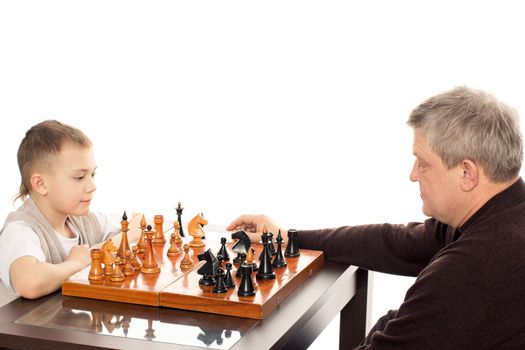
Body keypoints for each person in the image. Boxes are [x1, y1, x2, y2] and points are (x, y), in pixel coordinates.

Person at [227, 86, 525, 349]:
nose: (412, 175)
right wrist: (289, 238)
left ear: (466, 173)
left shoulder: (472, 268)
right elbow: (393, 242)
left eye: (423, 163)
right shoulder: (501, 214)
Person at [0, 120, 140, 308]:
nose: (92, 186)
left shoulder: (81, 220)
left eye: (93, 174)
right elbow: (29, 283)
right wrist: (77, 263)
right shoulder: (20, 230)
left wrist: (99, 251)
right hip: (20, 335)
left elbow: (139, 222)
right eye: (79, 177)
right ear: (41, 184)